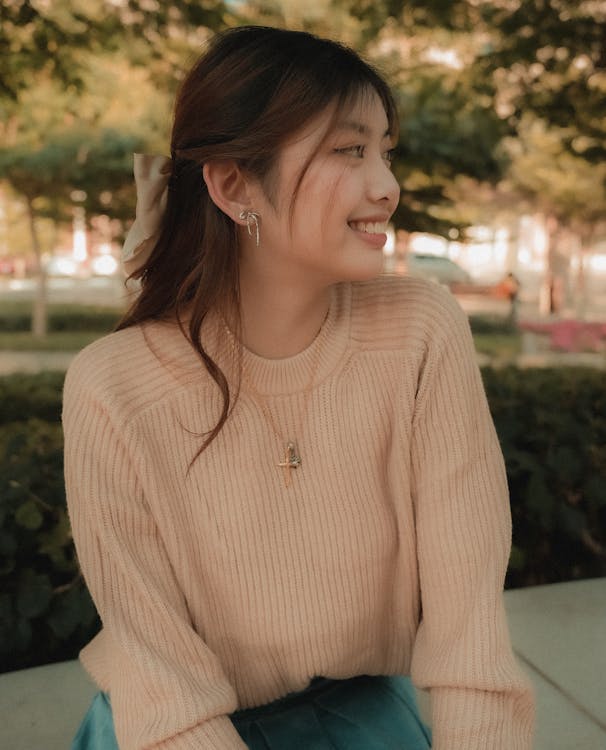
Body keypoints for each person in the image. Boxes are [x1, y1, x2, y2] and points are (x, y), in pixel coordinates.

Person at [63, 25, 535, 750]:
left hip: (368, 717)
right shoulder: (113, 388)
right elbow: (163, 685)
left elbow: (469, 629)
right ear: (231, 184)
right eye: (349, 150)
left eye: (384, 150)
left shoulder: (420, 330)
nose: (387, 185)